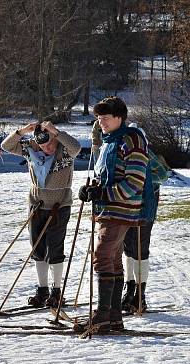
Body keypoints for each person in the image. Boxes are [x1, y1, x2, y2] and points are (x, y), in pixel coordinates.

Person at [75, 96, 148, 333]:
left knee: (102, 256)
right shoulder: (110, 141)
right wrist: (91, 189)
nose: (101, 123)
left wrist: (103, 193)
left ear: (119, 117)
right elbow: (106, 175)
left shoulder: (131, 139)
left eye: (105, 118)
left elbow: (134, 183)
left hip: (121, 209)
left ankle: (103, 315)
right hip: (109, 209)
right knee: (113, 259)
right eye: (98, 119)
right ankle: (114, 316)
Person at [1, 121, 81, 308]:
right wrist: (22, 131)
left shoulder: (64, 150)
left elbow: (76, 147)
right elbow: (6, 146)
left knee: (55, 248)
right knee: (37, 249)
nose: (47, 149)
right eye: (43, 146)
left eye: (50, 143)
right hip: (37, 205)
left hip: (59, 205)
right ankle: (42, 289)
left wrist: (56, 132)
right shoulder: (30, 149)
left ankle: (57, 290)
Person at [92, 120, 157, 313]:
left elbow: (141, 181)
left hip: (140, 209)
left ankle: (139, 294)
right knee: (123, 252)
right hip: (122, 207)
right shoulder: (113, 146)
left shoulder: (143, 153)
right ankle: (128, 292)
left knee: (138, 251)